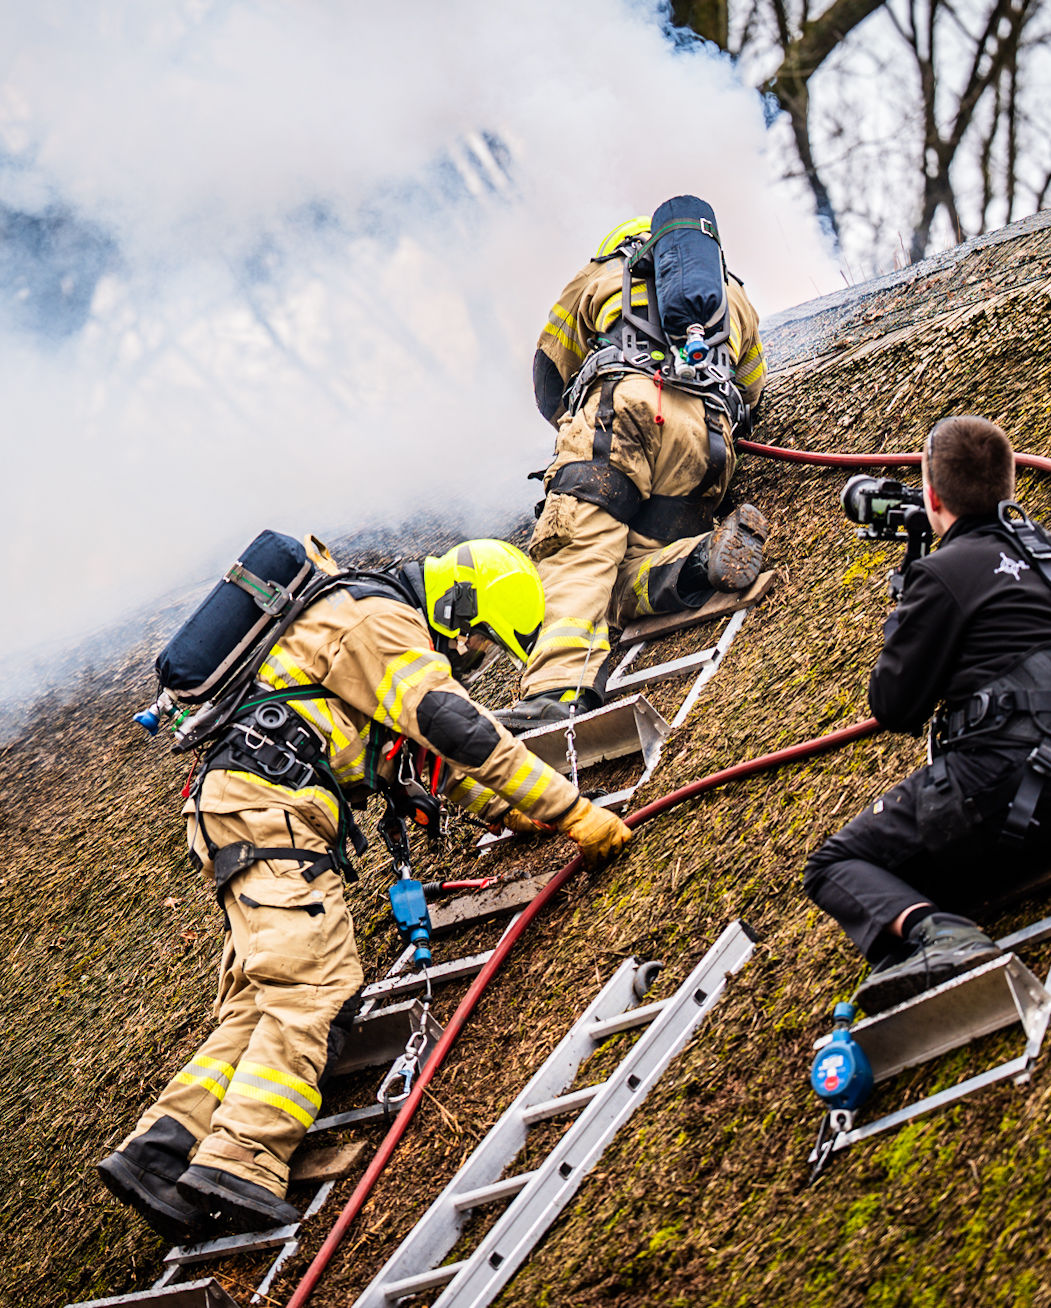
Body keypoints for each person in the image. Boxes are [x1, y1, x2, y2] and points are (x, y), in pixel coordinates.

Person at [97, 539, 633, 1240]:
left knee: (263, 996)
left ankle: (161, 1154)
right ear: (457, 603)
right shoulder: (374, 622)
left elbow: (428, 761)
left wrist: (521, 814)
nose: (469, 656)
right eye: (474, 640)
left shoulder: (353, 637)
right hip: (271, 809)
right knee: (315, 984)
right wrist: (576, 812)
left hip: (242, 808)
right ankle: (243, 1157)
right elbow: (458, 729)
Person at [803, 416, 1051, 1013]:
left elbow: (894, 707)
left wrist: (911, 595)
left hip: (1010, 791)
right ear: (1010, 486)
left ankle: (945, 940)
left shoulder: (943, 574)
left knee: (837, 863)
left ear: (931, 496)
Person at [499, 198, 776, 730]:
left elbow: (547, 374)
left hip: (621, 415)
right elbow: (753, 388)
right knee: (626, 573)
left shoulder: (601, 273)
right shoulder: (733, 295)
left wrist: (574, 433)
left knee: (578, 552)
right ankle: (698, 559)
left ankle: (556, 691)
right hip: (707, 445)